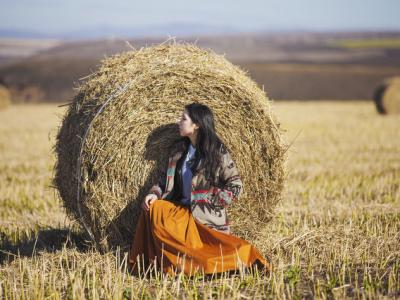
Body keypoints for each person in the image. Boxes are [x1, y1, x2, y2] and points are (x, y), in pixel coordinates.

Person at [129, 102, 271, 277]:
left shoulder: (217, 152)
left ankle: (222, 263)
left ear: (196, 124)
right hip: (182, 213)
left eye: (183, 118)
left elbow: (236, 185)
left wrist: (211, 200)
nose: (178, 122)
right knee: (154, 208)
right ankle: (154, 265)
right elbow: (164, 182)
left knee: (234, 252)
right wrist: (154, 193)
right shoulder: (178, 152)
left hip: (205, 219)